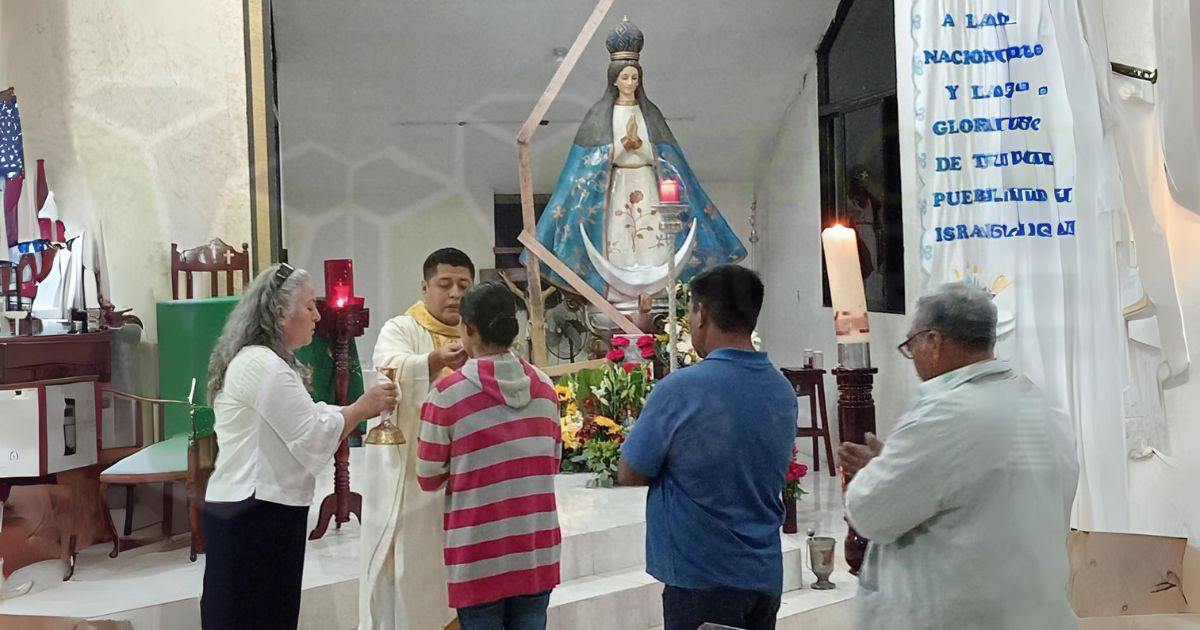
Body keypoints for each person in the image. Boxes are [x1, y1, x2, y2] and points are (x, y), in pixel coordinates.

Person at [839, 283, 1079, 630]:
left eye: (911, 346)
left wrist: (874, 473)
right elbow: (985, 492)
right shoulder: (1040, 406)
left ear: (933, 342)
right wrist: (890, 464)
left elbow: (869, 512)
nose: (914, 358)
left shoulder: (944, 415)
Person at [201, 263, 397, 630]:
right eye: (309, 306)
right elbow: (309, 434)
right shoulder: (263, 365)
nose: (317, 315)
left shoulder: (266, 361)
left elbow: (307, 415)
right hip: (254, 510)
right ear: (279, 312)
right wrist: (361, 409)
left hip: (258, 507)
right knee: (253, 614)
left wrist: (346, 412)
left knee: (265, 611)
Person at [617, 264, 797, 630]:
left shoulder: (681, 389)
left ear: (702, 314)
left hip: (703, 576)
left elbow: (630, 471)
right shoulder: (782, 389)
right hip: (763, 574)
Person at [525, 17, 746, 299]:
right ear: (614, 79)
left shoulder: (649, 113)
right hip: (615, 187)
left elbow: (667, 157)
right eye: (625, 77)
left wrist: (642, 148)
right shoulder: (599, 115)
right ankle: (620, 284)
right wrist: (618, 150)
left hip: (646, 179)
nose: (630, 82)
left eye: (635, 77)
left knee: (651, 235)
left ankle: (652, 282)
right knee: (620, 235)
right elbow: (585, 164)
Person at [416, 282, 562, 630]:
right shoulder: (545, 388)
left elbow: (427, 476)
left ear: (467, 329)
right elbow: (552, 464)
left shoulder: (447, 396)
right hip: (534, 548)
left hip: (478, 553)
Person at [361, 248, 474, 630]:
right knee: (419, 567)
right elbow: (387, 368)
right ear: (425, 287)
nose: (455, 293)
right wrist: (433, 360)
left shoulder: (477, 333)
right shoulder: (402, 328)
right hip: (417, 477)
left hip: (470, 474)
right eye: (445, 284)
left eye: (463, 285)